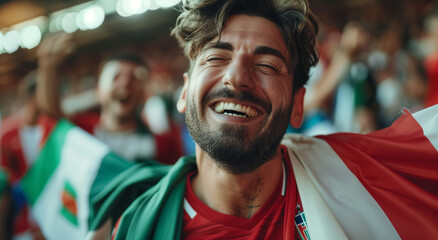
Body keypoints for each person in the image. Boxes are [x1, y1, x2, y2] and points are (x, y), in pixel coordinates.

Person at [84, 0, 437, 239]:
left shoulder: (363, 173)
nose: (236, 78)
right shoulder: (129, 228)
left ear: (298, 106)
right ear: (183, 92)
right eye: (216, 58)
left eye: (267, 65)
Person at [36, 34, 182, 164]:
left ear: (145, 93)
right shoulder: (82, 132)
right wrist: (48, 67)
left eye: (135, 78)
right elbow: (52, 112)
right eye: (116, 77)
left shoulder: (163, 145)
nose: (125, 83)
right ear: (98, 89)